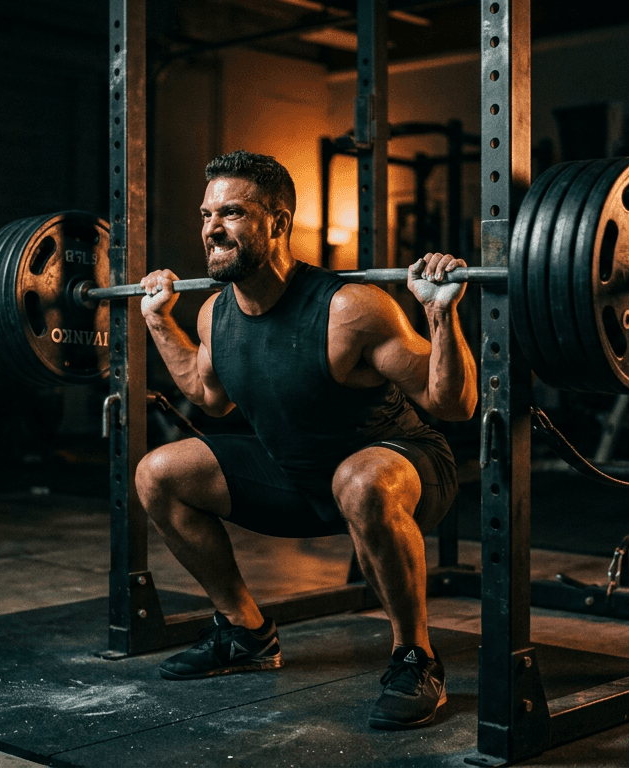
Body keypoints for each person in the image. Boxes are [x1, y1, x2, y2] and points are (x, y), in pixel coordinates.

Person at [135, 150, 476, 730]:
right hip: (299, 476)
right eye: (206, 214)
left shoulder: (351, 308)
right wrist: (158, 320)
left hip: (405, 468)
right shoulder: (216, 312)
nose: (212, 229)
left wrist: (440, 315)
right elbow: (209, 395)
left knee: (360, 481)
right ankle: (245, 634)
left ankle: (414, 655)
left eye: (233, 214)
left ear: (279, 222)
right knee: (157, 473)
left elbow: (454, 405)